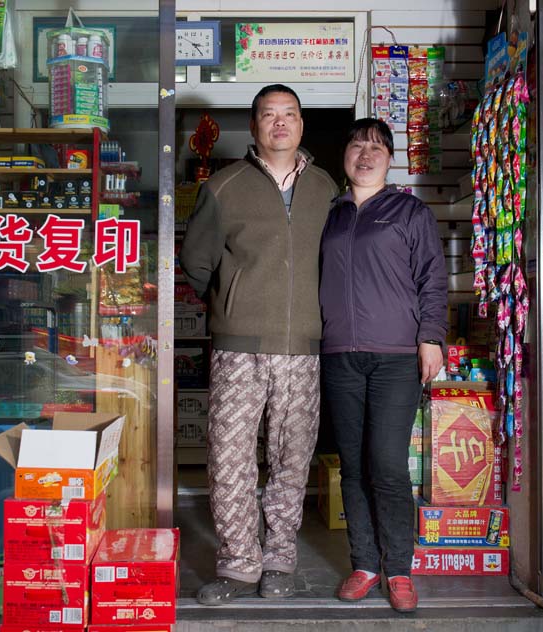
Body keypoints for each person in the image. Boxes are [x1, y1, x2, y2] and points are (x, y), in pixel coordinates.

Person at [180, 84, 338, 605]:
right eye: (268, 115)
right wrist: (232, 301)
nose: (279, 123)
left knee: (292, 459)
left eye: (289, 114)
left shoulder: (324, 188)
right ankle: (238, 564)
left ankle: (279, 562)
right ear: (252, 127)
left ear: (301, 124)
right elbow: (197, 262)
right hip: (238, 348)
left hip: (303, 348)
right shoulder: (224, 187)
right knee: (229, 458)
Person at [319, 118, 447, 613]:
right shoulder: (329, 214)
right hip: (339, 355)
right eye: (357, 144)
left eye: (377, 147)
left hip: (396, 356)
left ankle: (398, 569)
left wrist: (430, 337)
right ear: (345, 155)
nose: (366, 154)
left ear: (390, 158)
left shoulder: (409, 212)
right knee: (352, 466)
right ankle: (364, 563)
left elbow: (433, 278)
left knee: (387, 465)